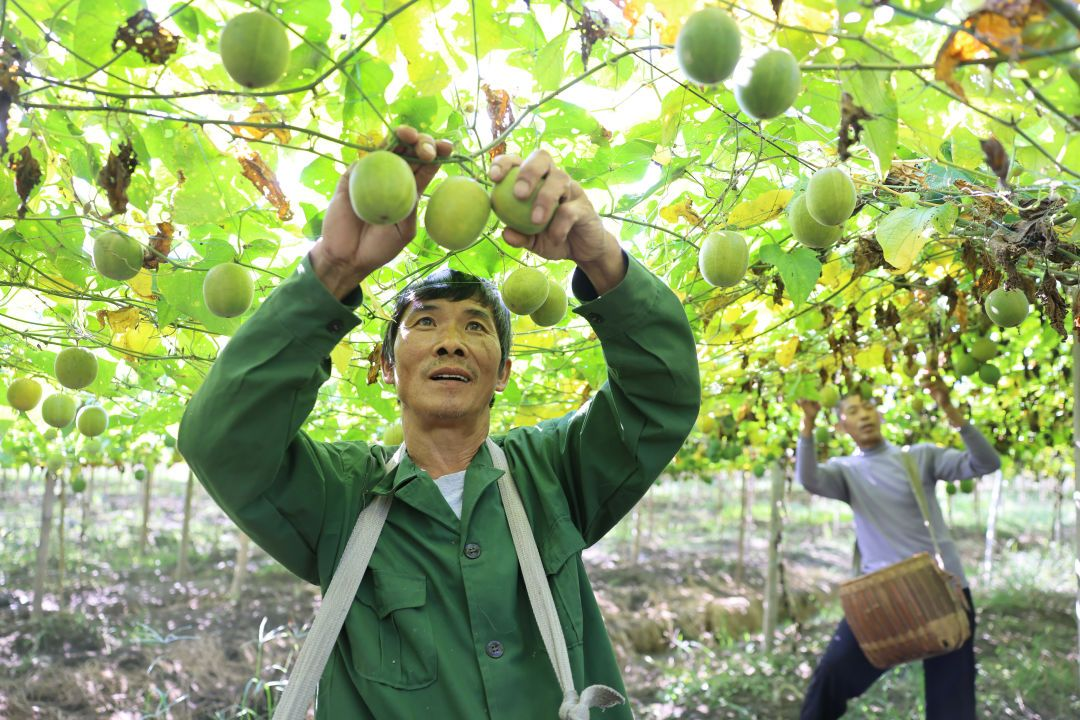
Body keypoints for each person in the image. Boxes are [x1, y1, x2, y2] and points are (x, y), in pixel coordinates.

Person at [177, 125, 700, 719]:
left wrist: (600, 257)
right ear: (387, 367)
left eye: (476, 326)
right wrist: (333, 269)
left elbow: (660, 396)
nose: (451, 342)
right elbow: (219, 442)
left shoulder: (554, 472)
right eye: (425, 323)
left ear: (501, 372)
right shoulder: (342, 498)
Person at [795, 379, 1000, 720]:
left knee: (952, 700)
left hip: (940, 590)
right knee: (831, 676)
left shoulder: (919, 457)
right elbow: (810, 479)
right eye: (853, 411)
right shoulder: (846, 471)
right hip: (881, 596)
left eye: (868, 407)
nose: (864, 415)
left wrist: (952, 412)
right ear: (841, 425)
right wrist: (807, 425)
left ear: (880, 414)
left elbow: (986, 463)